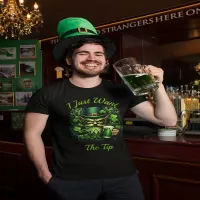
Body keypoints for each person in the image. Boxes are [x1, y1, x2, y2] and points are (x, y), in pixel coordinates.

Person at [24, 17, 177, 200]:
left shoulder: (121, 90)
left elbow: (167, 120)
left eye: (98, 54)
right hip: (71, 182)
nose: (92, 58)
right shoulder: (47, 94)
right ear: (68, 60)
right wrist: (45, 175)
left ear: (105, 62)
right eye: (83, 53)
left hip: (123, 181)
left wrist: (158, 85)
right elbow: (32, 134)